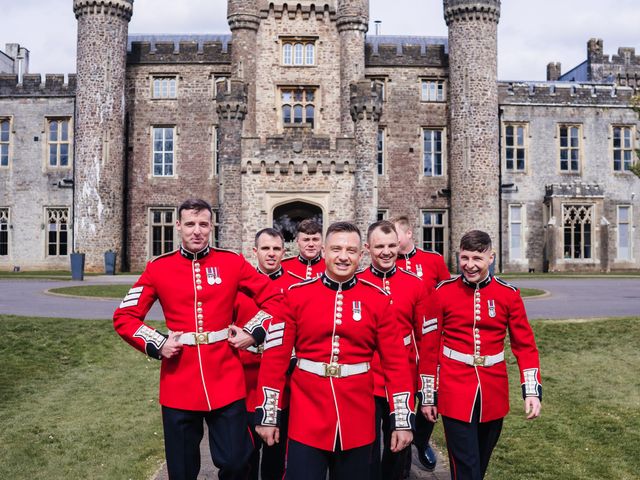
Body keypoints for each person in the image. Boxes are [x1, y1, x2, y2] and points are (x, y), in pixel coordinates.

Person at [113, 198, 283, 480]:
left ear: (211, 226)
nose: (197, 231)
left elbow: (276, 300)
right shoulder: (159, 268)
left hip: (226, 378)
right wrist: (158, 343)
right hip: (179, 381)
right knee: (181, 471)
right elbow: (124, 317)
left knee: (237, 463)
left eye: (203, 224)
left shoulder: (232, 263)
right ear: (178, 226)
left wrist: (252, 332)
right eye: (190, 224)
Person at [254, 221, 415, 480]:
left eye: (351, 251)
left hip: (358, 418)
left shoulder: (377, 300)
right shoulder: (296, 296)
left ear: (360, 255)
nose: (343, 257)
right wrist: (268, 415)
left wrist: (402, 420)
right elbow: (275, 359)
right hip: (307, 415)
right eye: (336, 249)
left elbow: (396, 364)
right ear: (325, 252)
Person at [418, 230, 542, 480]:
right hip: (454, 391)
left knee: (479, 465)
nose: (469, 265)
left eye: (477, 258)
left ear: (491, 257)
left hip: (492, 391)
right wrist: (428, 395)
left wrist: (531, 391)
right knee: (466, 468)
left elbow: (525, 346)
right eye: (464, 258)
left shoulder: (509, 295)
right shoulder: (442, 292)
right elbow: (429, 348)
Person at [358, 220, 430, 480]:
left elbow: (426, 340)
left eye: (391, 245)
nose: (386, 252)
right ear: (367, 248)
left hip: (402, 378)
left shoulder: (415, 284)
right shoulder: (357, 282)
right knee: (365, 446)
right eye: (379, 246)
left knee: (399, 448)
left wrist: (428, 389)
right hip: (366, 377)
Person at [234, 228, 298, 480]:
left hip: (283, 384)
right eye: (265, 249)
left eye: (276, 249)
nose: (271, 254)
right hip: (246, 383)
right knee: (244, 457)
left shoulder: (295, 287)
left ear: (284, 252)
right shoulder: (239, 289)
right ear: (255, 252)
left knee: (276, 456)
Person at [392, 215, 450, 471]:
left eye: (395, 235)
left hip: (429, 341)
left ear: (408, 234)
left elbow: (448, 293)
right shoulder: (388, 261)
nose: (391, 241)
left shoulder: (432, 260)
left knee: (429, 397)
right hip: (400, 345)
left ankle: (422, 441)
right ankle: (401, 458)